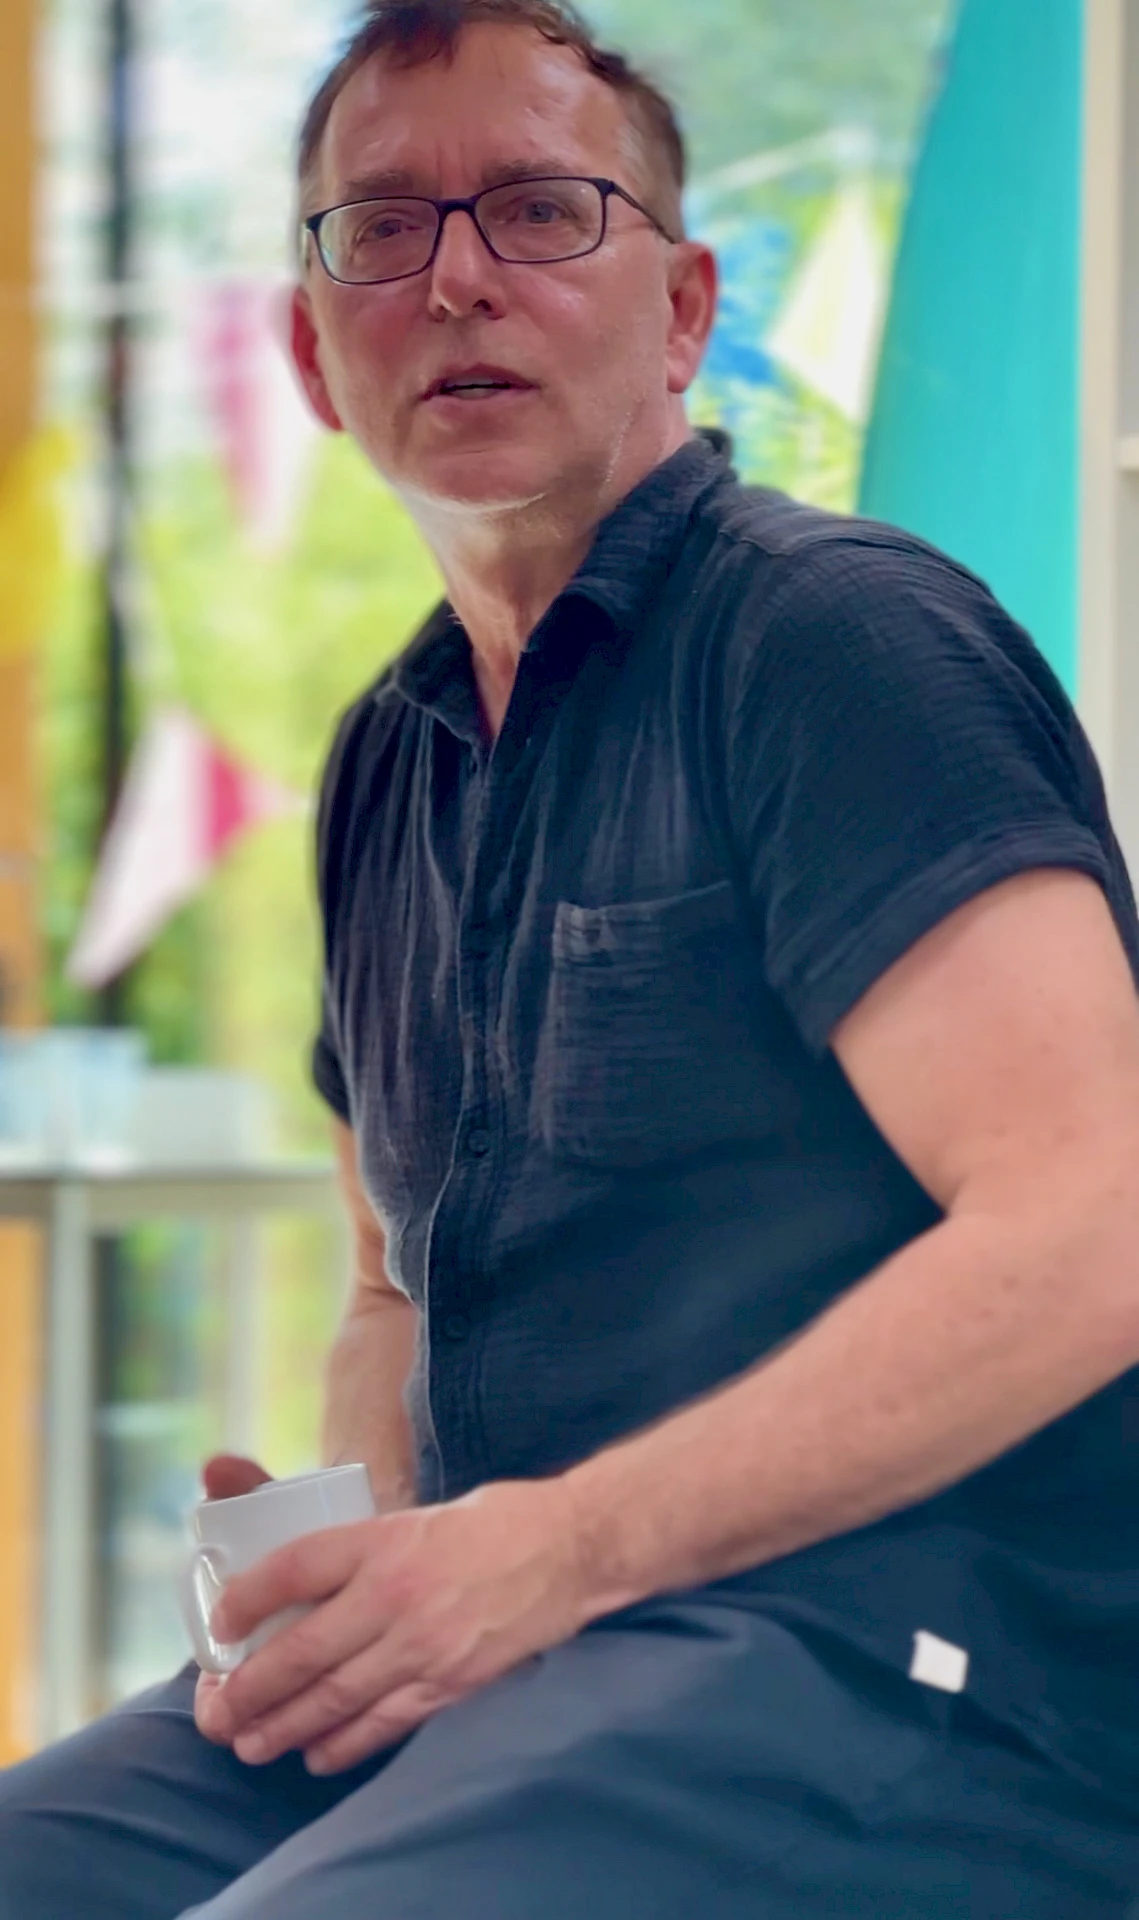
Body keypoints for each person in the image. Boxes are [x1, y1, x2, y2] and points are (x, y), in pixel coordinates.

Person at [4, 2, 1139, 1914]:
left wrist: (556, 1548)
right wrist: (361, 1558)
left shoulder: (833, 640)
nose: (457, 278)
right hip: (525, 1668)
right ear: (310, 353)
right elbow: (391, 1287)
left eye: (540, 212)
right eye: (383, 227)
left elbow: (1095, 1222)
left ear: (683, 311)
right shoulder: (387, 757)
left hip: (906, 1670)